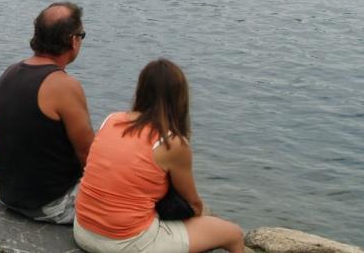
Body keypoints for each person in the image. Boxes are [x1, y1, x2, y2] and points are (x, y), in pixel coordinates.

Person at [74, 59, 245, 253]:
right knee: (233, 234)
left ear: (141, 89)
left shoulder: (111, 120)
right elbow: (193, 204)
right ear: (179, 97)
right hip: (125, 243)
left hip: (83, 230)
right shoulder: (172, 143)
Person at [0, 2, 93, 224]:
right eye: (81, 35)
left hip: (8, 194)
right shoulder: (64, 86)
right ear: (73, 40)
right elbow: (89, 156)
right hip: (50, 204)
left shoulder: (10, 73)